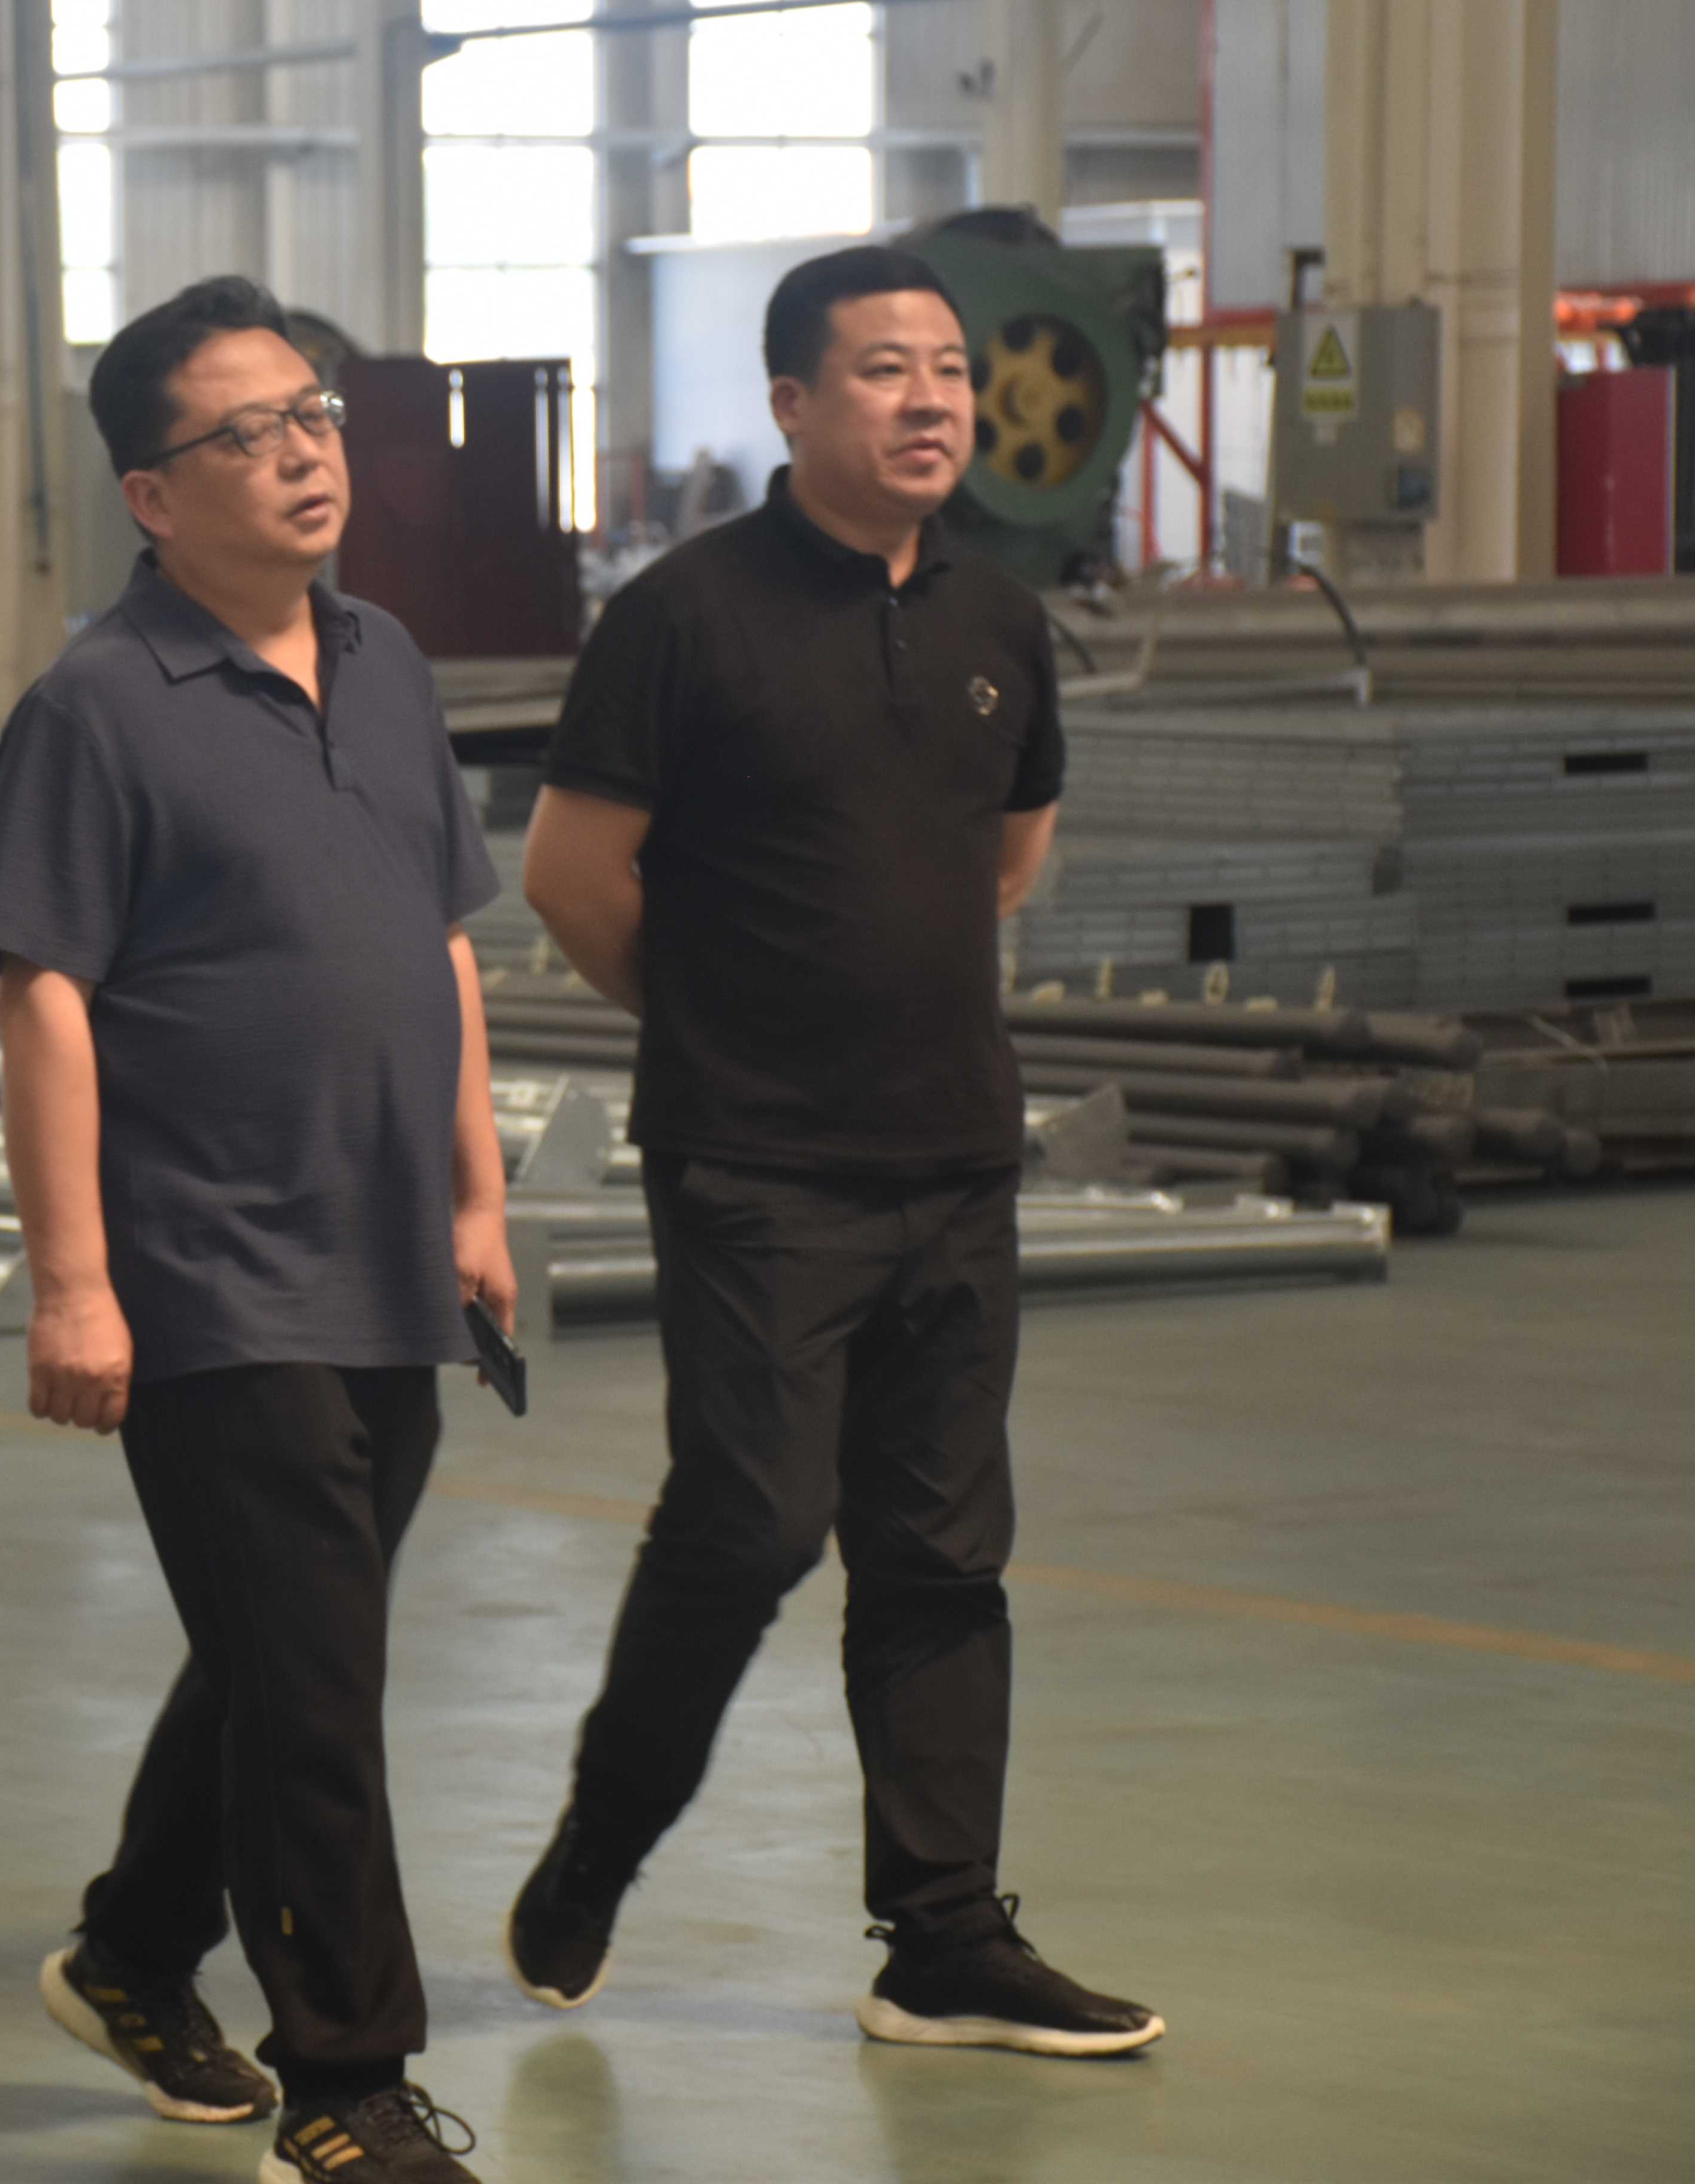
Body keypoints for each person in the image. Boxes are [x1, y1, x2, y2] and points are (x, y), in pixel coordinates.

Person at [507, 243, 1162, 2057]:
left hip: (954, 1160)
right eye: (886, 369)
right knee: (752, 1526)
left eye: (949, 366)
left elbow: (1007, 856)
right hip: (755, 1167)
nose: (933, 398)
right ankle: (601, 1844)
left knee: (943, 1555)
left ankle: (943, 1939)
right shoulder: (683, 617)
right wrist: (731, 1023)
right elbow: (571, 877)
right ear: (793, 403)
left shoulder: (997, 620)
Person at [0, 276, 517, 2184]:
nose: (303, 454)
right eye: (248, 433)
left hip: (389, 1253)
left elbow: (442, 942)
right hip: (213, 1268)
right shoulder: (98, 708)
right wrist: (76, 1285)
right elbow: (45, 996)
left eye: (314, 416)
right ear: (152, 493)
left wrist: (476, 1192)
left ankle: (134, 1949)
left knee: (289, 1648)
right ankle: (349, 2084)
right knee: (315, 1689)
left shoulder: (386, 660)